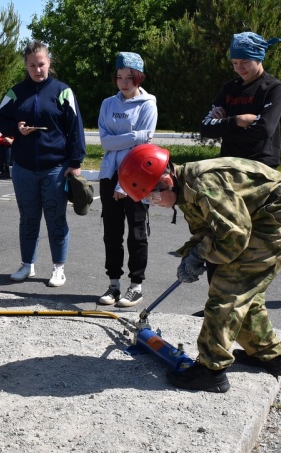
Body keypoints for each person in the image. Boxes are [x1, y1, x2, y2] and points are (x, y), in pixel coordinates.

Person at [119, 145, 281, 393]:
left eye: (151, 196)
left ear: (166, 180)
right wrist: (192, 254)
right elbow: (207, 229)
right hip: (259, 218)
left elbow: (234, 236)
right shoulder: (183, 187)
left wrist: (201, 254)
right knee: (244, 291)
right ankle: (268, 355)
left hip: (277, 219)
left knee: (227, 291)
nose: (152, 203)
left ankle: (210, 372)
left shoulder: (202, 185)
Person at [0, 40, 86, 287]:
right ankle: (27, 265)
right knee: (28, 218)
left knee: (56, 218)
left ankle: (59, 268)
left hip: (55, 167)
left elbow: (76, 128)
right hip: (23, 167)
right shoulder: (16, 92)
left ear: (49, 63)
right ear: (26, 65)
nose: (37, 69)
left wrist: (76, 162)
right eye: (32, 65)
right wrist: (17, 128)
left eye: (42, 64)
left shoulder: (63, 91)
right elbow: (0, 116)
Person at [96, 52, 158, 308]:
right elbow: (104, 141)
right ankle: (113, 284)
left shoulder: (148, 103)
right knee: (111, 233)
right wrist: (134, 135)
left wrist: (125, 185)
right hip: (109, 175)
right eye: (119, 77)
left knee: (136, 233)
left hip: (138, 177)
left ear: (138, 77)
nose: (124, 82)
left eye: (129, 77)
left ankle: (136, 286)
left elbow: (146, 143)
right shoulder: (108, 104)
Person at [200, 32, 281, 169]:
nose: (239, 68)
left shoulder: (274, 88)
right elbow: (206, 128)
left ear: (258, 58)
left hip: (260, 165)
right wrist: (238, 120)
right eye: (235, 63)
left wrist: (224, 128)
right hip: (228, 164)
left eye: (245, 62)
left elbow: (264, 129)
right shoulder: (229, 88)